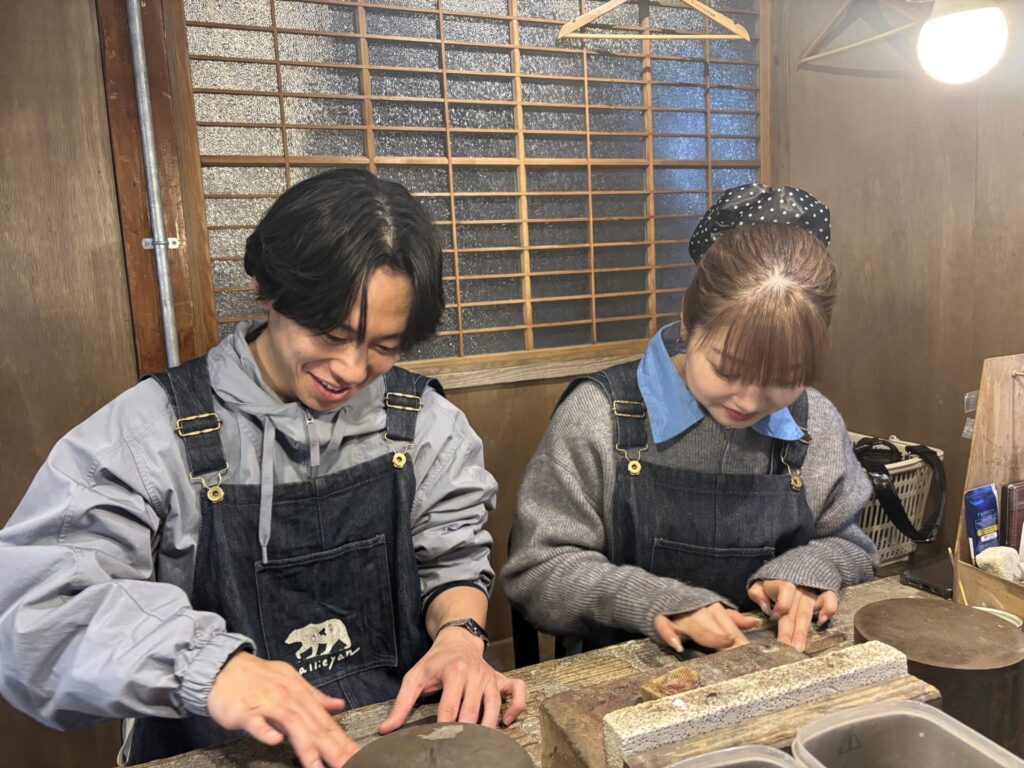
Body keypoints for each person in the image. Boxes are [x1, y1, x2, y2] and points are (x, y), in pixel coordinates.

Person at [0, 169, 525, 767]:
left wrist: (461, 636)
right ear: (267, 291)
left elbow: (450, 557)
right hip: (214, 751)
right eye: (329, 333)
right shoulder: (145, 436)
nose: (352, 369)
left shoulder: (423, 421)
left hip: (389, 744)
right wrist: (212, 667)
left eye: (384, 346)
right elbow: (32, 620)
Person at [503, 184, 878, 656]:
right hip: (628, 677)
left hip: (771, 670)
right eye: (727, 369)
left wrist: (810, 572)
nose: (749, 400)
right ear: (687, 322)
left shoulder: (814, 422)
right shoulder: (600, 415)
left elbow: (852, 546)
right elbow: (537, 572)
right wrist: (654, 601)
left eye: (784, 379)